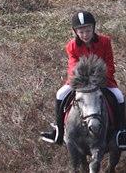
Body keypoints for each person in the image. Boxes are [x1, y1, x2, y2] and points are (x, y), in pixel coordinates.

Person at [40, 10, 126, 148]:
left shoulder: (105, 41)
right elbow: (72, 66)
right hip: (80, 81)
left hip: (103, 80)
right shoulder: (71, 46)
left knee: (119, 96)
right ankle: (59, 131)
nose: (85, 35)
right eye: (81, 32)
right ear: (75, 32)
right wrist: (81, 80)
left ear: (93, 28)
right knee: (60, 94)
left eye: (88, 30)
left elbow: (109, 63)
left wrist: (100, 78)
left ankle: (121, 132)